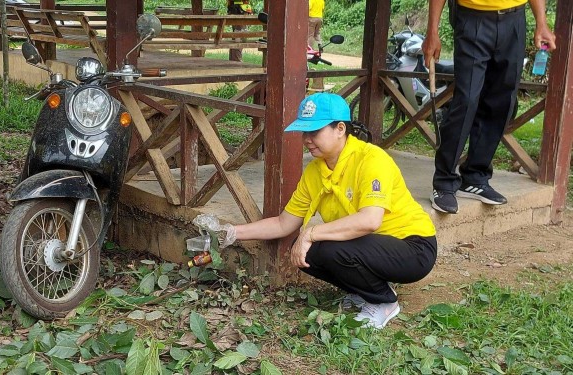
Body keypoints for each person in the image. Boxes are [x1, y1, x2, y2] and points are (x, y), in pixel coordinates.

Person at [202, 93, 437, 329]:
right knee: (309, 254)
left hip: (413, 247)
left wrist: (311, 233)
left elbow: (370, 221)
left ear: (340, 129)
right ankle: (365, 292)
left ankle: (384, 303)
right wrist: (230, 232)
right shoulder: (315, 171)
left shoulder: (372, 159)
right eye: (305, 132)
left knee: (324, 246)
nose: (307, 139)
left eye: (315, 132)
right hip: (370, 246)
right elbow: (284, 223)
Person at [423, 0, 556, 214]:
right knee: (466, 100)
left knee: (502, 101)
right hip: (471, 17)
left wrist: (542, 22)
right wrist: (433, 32)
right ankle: (444, 182)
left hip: (514, 20)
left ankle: (475, 176)